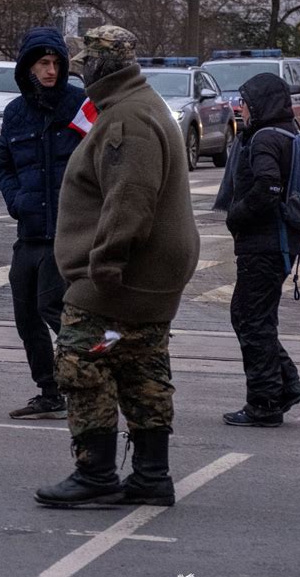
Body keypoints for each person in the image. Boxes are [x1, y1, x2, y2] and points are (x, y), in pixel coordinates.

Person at [34, 25, 200, 507]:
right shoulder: (138, 107)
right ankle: (151, 476)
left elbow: (130, 201)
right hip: (147, 275)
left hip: (118, 277)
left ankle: (96, 473)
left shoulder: (126, 118)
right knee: (141, 367)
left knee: (80, 363)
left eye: (86, 62)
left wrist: (103, 265)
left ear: (104, 66)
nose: (79, 70)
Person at [0, 26, 86, 420]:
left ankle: (86, 380)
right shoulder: (16, 113)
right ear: (28, 67)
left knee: (53, 305)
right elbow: (4, 166)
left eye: (55, 63)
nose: (50, 71)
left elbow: (100, 157)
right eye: (42, 63)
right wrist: (16, 200)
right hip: (29, 229)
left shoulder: (79, 104)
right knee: (26, 315)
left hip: (65, 231)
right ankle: (50, 391)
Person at [217, 73, 300, 428]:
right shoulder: (286, 131)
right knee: (255, 318)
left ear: (261, 104)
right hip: (277, 244)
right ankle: (286, 384)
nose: (240, 108)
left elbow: (269, 186)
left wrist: (236, 216)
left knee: (250, 319)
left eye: (245, 101)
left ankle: (265, 401)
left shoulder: (266, 138)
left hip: (266, 246)